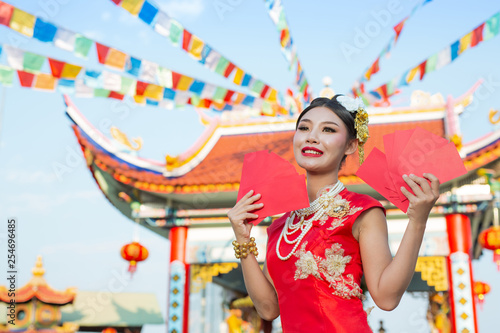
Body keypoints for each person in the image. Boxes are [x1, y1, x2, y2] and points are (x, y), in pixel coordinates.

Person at [227, 95, 440, 332]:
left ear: (350, 145)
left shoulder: (361, 210)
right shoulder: (281, 226)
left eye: (328, 129)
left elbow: (386, 298)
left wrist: (418, 221)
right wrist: (243, 240)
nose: (312, 136)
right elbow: (269, 309)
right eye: (304, 128)